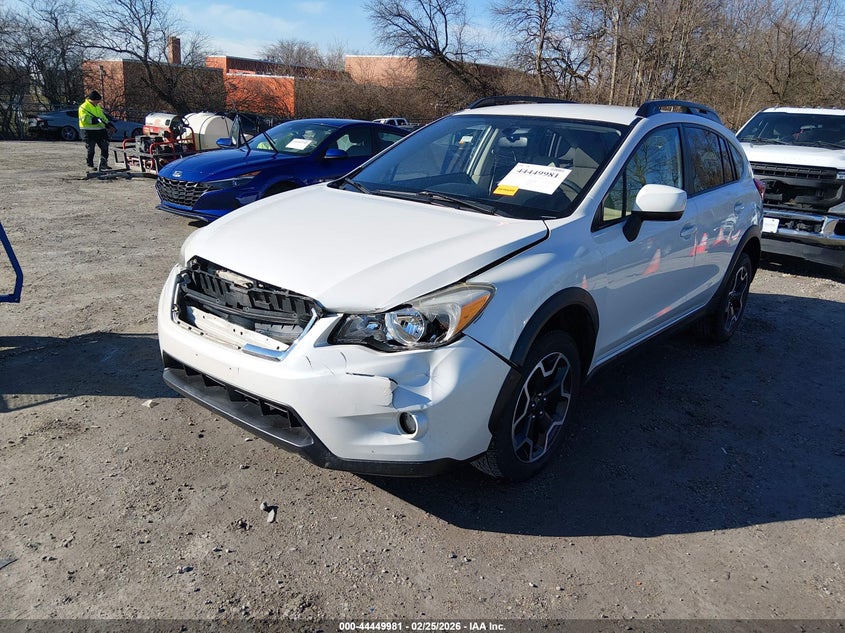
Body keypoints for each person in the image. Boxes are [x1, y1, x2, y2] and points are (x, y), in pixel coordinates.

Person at [78, 91, 112, 171]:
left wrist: (108, 123)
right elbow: (84, 119)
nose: (98, 102)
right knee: (91, 149)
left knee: (105, 146)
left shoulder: (97, 107)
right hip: (88, 131)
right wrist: (93, 120)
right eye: (98, 101)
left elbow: (102, 117)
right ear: (93, 99)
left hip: (100, 130)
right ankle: (90, 165)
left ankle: (103, 164)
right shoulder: (83, 107)